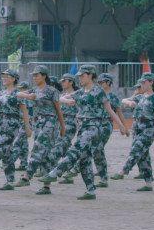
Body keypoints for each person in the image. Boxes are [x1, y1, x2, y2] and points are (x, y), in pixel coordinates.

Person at [39, 64, 127, 200]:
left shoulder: (98, 91)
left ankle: (56, 172)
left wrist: (121, 126)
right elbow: (65, 99)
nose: (80, 78)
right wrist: (58, 99)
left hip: (94, 127)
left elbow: (109, 110)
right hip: (82, 128)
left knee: (76, 149)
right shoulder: (80, 92)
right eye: (79, 76)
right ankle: (91, 191)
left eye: (83, 75)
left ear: (90, 75)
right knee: (84, 160)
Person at [14, 65, 65, 195]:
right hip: (38, 123)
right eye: (34, 75)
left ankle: (27, 176)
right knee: (45, 155)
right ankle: (46, 186)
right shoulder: (34, 90)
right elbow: (17, 93)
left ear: (44, 76)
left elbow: (58, 110)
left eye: (37, 75)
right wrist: (28, 96)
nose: (34, 77)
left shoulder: (52, 91)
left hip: (50, 122)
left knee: (37, 147)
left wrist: (62, 126)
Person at [112, 74, 154, 191]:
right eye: (141, 83)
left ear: (151, 82)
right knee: (143, 157)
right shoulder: (141, 97)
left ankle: (123, 171)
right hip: (137, 127)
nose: (142, 84)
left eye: (144, 82)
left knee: (136, 150)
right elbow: (123, 100)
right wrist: (129, 102)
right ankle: (149, 183)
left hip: (148, 128)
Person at [93, 73, 124, 187]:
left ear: (108, 83)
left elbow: (119, 112)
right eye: (99, 83)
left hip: (106, 125)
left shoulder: (113, 97)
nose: (100, 84)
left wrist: (123, 127)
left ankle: (104, 177)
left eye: (102, 82)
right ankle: (101, 172)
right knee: (96, 149)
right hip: (96, 124)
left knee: (98, 148)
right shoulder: (97, 95)